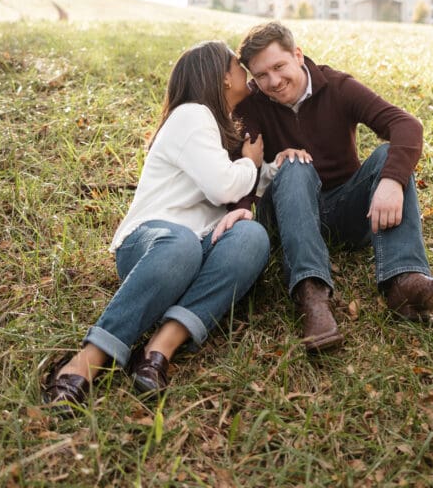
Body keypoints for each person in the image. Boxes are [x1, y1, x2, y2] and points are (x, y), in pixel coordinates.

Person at [43, 41, 271, 415]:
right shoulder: (192, 115)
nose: (244, 71)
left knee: (251, 237)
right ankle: (89, 359)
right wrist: (250, 164)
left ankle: (159, 350)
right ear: (222, 78)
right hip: (150, 244)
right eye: (237, 65)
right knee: (181, 244)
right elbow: (224, 186)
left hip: (196, 247)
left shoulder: (219, 127)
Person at [235, 22, 433, 353]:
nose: (273, 82)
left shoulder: (338, 87)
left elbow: (405, 125)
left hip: (345, 210)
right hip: (288, 214)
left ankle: (405, 282)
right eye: (261, 75)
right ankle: (312, 298)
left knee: (389, 155)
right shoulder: (252, 104)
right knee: (295, 166)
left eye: (279, 66)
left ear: (297, 55)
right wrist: (275, 165)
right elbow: (241, 165)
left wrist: (390, 181)